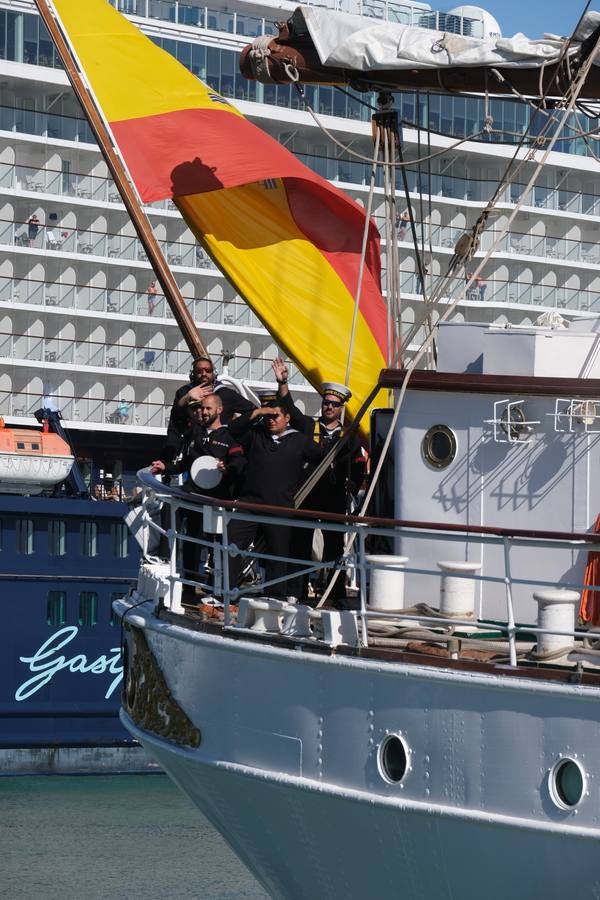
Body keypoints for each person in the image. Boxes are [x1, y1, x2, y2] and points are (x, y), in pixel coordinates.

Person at [273, 359, 366, 606]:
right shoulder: (309, 427)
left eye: (334, 404)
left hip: (334, 497)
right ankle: (297, 590)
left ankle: (335, 594)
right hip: (308, 495)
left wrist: (353, 488)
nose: (328, 407)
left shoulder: (349, 437)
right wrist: (283, 382)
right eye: (326, 402)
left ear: (341, 408)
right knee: (300, 543)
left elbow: (358, 466)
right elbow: (288, 407)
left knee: (334, 546)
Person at [226, 396, 325, 600]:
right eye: (268, 416)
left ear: (287, 418)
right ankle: (227, 591)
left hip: (280, 505)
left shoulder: (299, 441)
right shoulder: (256, 435)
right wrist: (258, 413)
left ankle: (275, 597)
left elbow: (322, 456)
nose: (271, 420)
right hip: (250, 503)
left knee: (278, 554)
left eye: (276, 416)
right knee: (232, 544)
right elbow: (233, 430)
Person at [151, 395, 244, 581]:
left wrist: (227, 467)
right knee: (175, 512)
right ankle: (170, 565)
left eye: (208, 408)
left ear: (219, 410)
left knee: (214, 544)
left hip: (215, 498)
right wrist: (165, 466)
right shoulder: (196, 434)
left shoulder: (230, 436)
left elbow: (239, 462)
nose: (203, 411)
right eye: (202, 408)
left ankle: (215, 584)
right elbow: (185, 464)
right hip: (192, 493)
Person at [159, 355, 255, 464]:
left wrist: (234, 427)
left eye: (208, 370)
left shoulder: (226, 394)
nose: (204, 373)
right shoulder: (184, 392)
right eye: (199, 371)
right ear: (193, 373)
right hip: (195, 448)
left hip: (222, 449)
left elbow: (252, 411)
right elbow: (175, 423)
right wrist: (187, 398)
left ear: (213, 373)